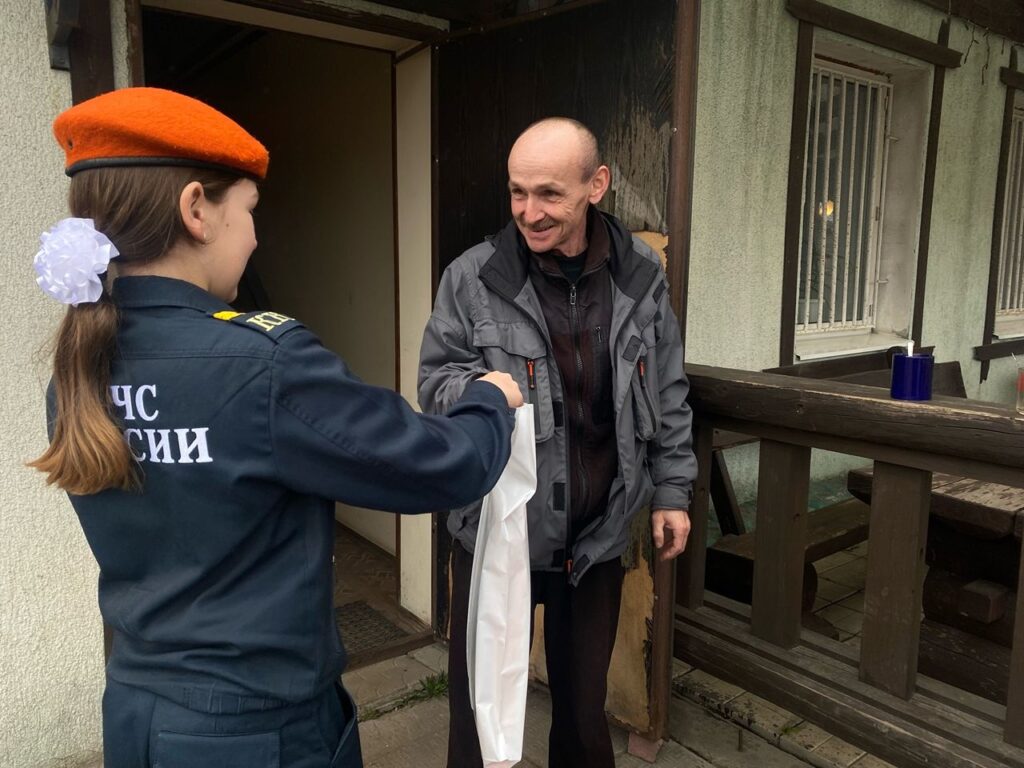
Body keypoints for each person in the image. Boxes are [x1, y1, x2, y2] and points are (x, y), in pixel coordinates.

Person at [29, 87, 523, 768]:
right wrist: (489, 402)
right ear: (196, 209)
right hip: (254, 731)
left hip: (137, 712)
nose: (256, 236)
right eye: (250, 210)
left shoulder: (76, 368)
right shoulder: (264, 362)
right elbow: (438, 466)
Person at [419, 117, 698, 768]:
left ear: (596, 185)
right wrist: (482, 390)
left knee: (582, 717)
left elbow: (667, 389)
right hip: (498, 534)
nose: (529, 212)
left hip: (596, 537)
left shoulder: (640, 275)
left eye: (549, 193)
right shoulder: (472, 277)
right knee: (480, 715)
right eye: (517, 192)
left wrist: (673, 490)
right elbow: (435, 383)